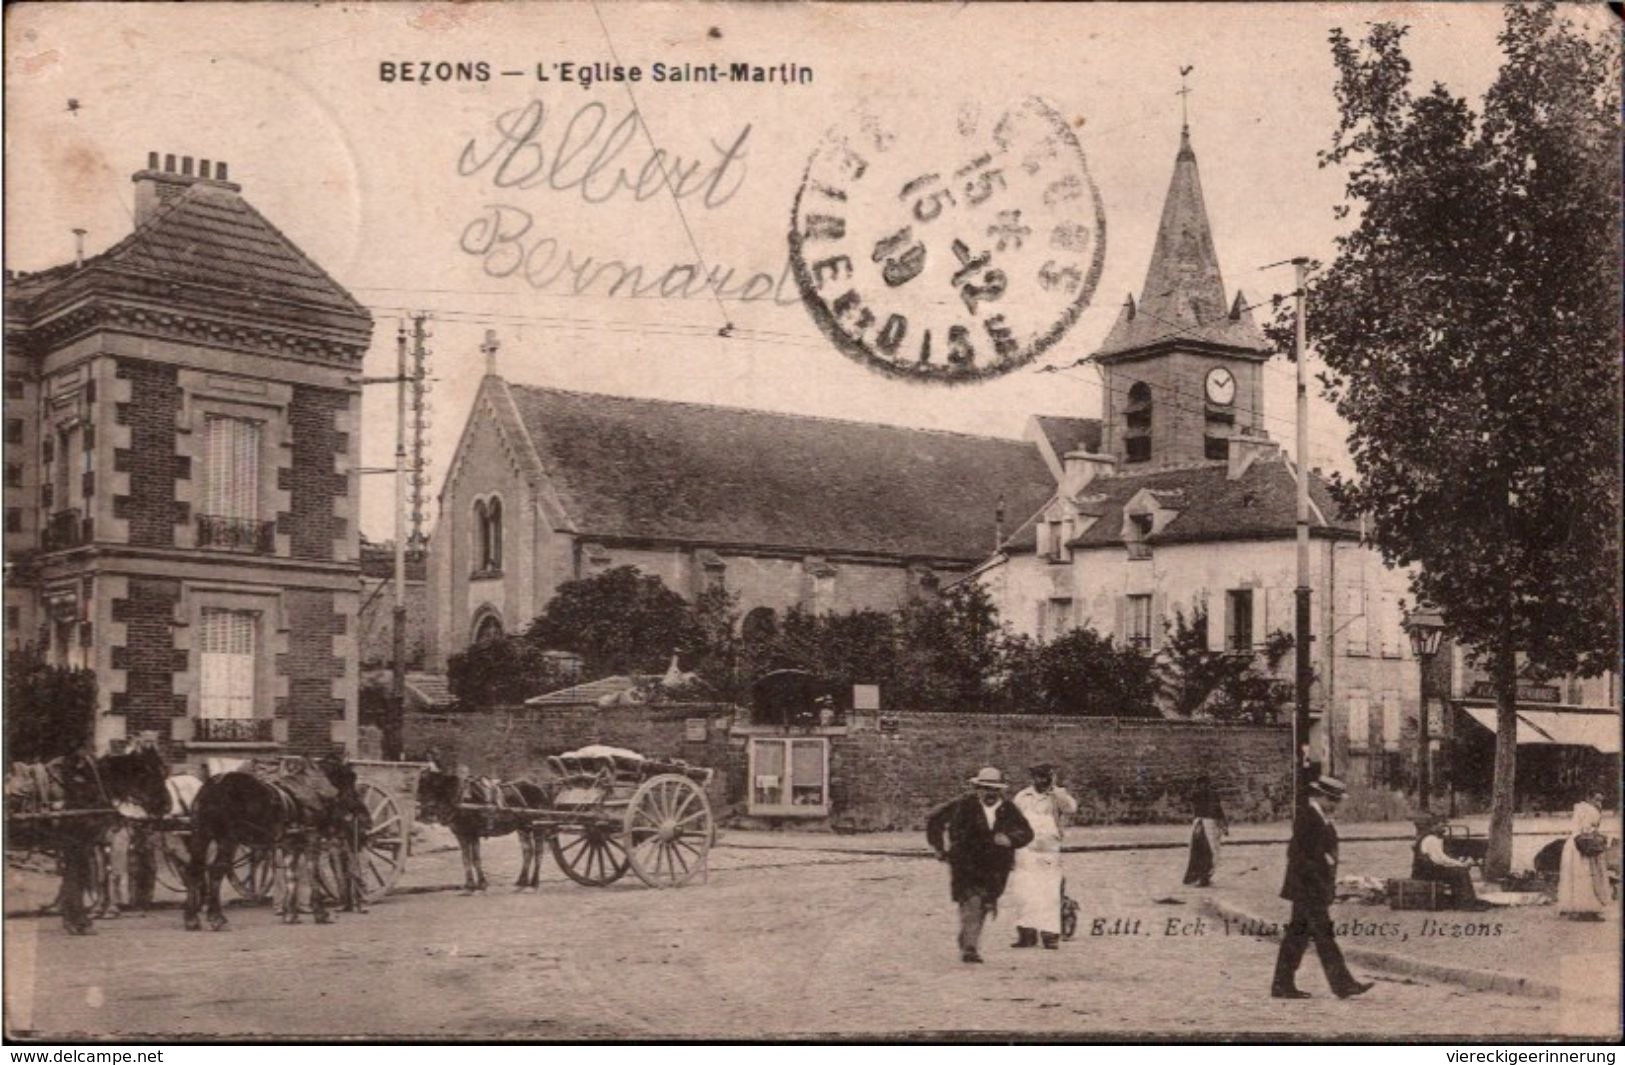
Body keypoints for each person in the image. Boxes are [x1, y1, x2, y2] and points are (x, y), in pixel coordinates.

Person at [1271, 775, 1373, 1000]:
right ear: (1322, 796)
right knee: (1324, 937)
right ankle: (1343, 984)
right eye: (1334, 801)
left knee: (1296, 938)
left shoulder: (1320, 816)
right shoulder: (1308, 817)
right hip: (1308, 888)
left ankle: (1282, 984)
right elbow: (1297, 855)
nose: (1336, 806)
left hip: (1310, 888)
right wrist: (1319, 873)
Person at [926, 767, 1034, 963]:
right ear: (977, 788)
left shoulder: (1008, 809)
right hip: (965, 864)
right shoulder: (962, 805)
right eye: (984, 788)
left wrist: (1010, 839)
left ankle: (968, 936)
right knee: (971, 900)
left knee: (984, 903)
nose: (989, 793)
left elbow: (1026, 833)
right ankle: (970, 948)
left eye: (994, 789)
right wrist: (939, 848)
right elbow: (934, 819)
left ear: (1000, 791)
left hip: (995, 868)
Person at [1007, 763, 1078, 949]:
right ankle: (1026, 935)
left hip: (1049, 851)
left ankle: (1050, 936)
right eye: (1038, 777)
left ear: (1051, 778)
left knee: (1049, 893)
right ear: (1033, 778)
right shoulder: (1022, 797)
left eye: (1046, 777)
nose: (1042, 781)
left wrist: (1055, 790)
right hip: (1025, 851)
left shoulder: (1056, 796)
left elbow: (1071, 808)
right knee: (1025, 892)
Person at [1410, 812, 1483, 909]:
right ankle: (1466, 902)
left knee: (1458, 870)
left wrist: (1458, 863)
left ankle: (1465, 900)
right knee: (1460, 872)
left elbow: (1441, 858)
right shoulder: (1431, 839)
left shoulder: (1432, 838)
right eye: (1441, 825)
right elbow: (1440, 860)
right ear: (1433, 826)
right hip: (1425, 873)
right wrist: (1460, 864)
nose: (1444, 828)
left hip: (1427, 870)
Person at [1556, 791, 1610, 920]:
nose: (1599, 803)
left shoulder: (1579, 808)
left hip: (1574, 844)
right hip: (1583, 844)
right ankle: (1586, 908)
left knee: (1575, 876)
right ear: (1588, 798)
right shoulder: (1589, 810)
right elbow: (1586, 829)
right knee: (1587, 876)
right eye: (1596, 800)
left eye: (1601, 801)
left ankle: (1574, 907)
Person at [1182, 773, 1228, 888]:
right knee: (1207, 851)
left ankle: (1199, 876)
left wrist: (1223, 825)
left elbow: (1218, 810)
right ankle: (1203, 877)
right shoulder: (1210, 794)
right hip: (1207, 825)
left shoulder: (1196, 794)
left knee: (1200, 851)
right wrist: (1224, 825)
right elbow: (1219, 810)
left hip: (1201, 825)